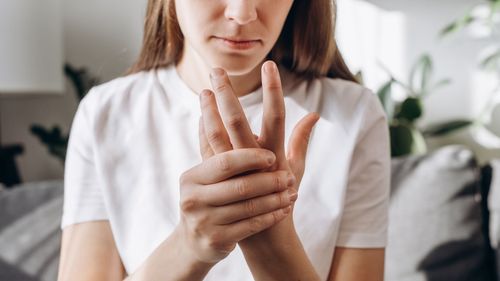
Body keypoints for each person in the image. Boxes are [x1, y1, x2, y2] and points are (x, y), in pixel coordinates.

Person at [57, 0, 390, 280]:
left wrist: (272, 245)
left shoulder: (354, 114)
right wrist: (190, 246)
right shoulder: (105, 114)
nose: (242, 13)